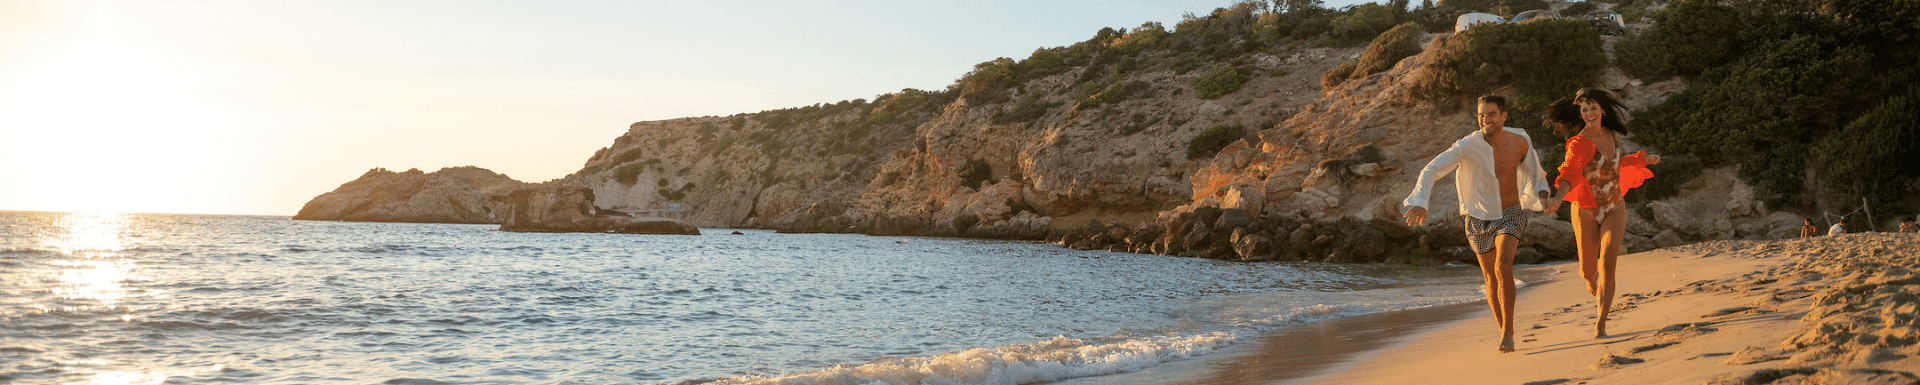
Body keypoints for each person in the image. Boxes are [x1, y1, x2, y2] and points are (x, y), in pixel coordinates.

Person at [1402, 95, 1552, 353]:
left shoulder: (1520, 141)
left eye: (1491, 114)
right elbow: (1432, 169)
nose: (1485, 120)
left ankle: (1509, 332)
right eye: (1481, 115)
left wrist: (1543, 197)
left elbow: (1536, 174)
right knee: (1490, 278)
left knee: (1503, 267)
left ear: (1504, 116)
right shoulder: (1467, 145)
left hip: (1510, 213)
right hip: (1477, 218)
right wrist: (1420, 201)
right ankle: (1501, 327)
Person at [1541, 89, 1658, 339]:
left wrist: (1642, 161)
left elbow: (1615, 165)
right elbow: (1570, 171)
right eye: (1584, 110)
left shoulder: (1611, 134)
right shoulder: (1579, 143)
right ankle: (1590, 281)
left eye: (1593, 107)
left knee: (1607, 263)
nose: (1589, 113)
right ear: (1580, 114)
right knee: (1587, 271)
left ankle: (1601, 324)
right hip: (1585, 209)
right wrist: (1558, 198)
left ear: (1603, 110)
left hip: (1614, 205)